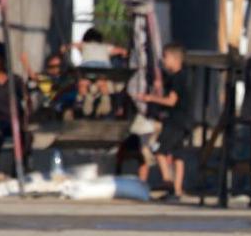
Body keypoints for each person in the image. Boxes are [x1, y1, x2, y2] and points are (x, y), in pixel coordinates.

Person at [136, 44, 193, 201]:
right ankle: (177, 191)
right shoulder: (185, 75)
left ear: (175, 59)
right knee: (178, 155)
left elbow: (171, 101)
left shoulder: (177, 78)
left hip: (175, 121)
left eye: (165, 57)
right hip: (186, 121)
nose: (163, 61)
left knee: (158, 149)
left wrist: (150, 98)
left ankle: (167, 181)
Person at [65, 28, 128, 118]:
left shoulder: (84, 45)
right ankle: (105, 98)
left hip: (87, 68)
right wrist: (124, 53)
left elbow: (73, 45)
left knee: (83, 83)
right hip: (104, 69)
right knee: (102, 83)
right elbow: (121, 50)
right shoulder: (106, 46)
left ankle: (85, 97)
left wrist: (65, 47)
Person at [0, 49, 26, 176]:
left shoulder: (15, 80)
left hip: (13, 120)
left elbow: (25, 99)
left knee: (25, 137)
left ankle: (18, 172)